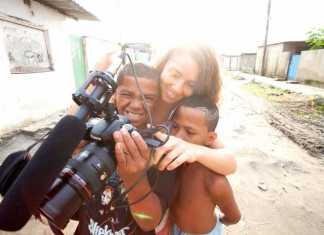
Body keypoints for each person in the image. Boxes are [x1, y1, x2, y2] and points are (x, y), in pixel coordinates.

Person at [69, 63, 175, 235]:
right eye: (126, 94)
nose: (136, 105)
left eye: (147, 98)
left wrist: (134, 178)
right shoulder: (95, 135)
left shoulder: (161, 152)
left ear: (158, 103)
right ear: (114, 97)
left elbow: (150, 222)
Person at [111, 43, 236, 179]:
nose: (177, 88)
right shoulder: (137, 95)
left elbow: (230, 162)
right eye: (175, 74)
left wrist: (193, 150)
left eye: (191, 84)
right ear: (163, 65)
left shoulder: (183, 116)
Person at [156, 95, 241, 235]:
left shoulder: (214, 181)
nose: (178, 136)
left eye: (189, 132)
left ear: (210, 138)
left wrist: (220, 222)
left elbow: (234, 217)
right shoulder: (173, 162)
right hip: (172, 227)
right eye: (175, 126)